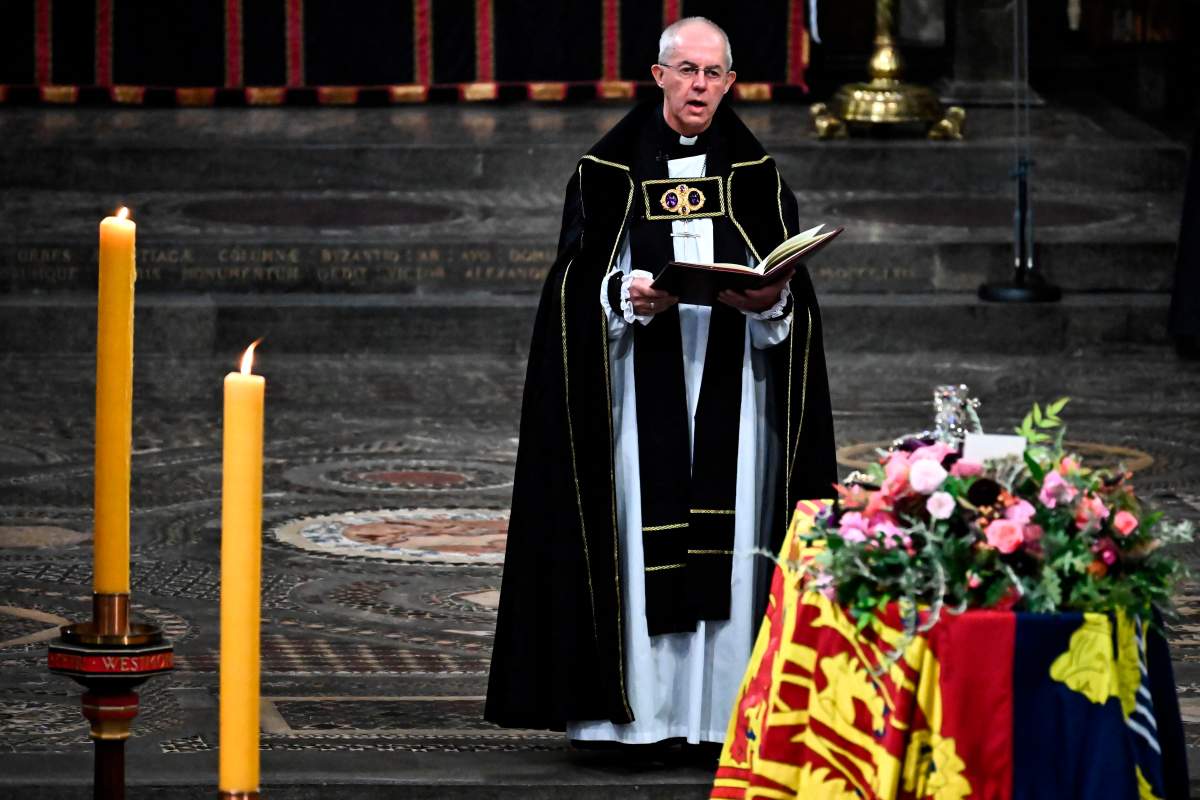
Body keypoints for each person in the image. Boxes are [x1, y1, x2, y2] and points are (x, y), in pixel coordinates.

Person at [485, 17, 836, 744]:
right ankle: (635, 725)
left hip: (732, 396)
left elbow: (787, 294)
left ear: (731, 84)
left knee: (733, 549)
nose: (700, 86)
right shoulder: (608, 173)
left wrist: (772, 303)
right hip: (637, 403)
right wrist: (624, 299)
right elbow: (572, 291)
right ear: (659, 76)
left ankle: (719, 722)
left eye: (714, 74)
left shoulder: (755, 177)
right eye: (687, 71)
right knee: (639, 551)